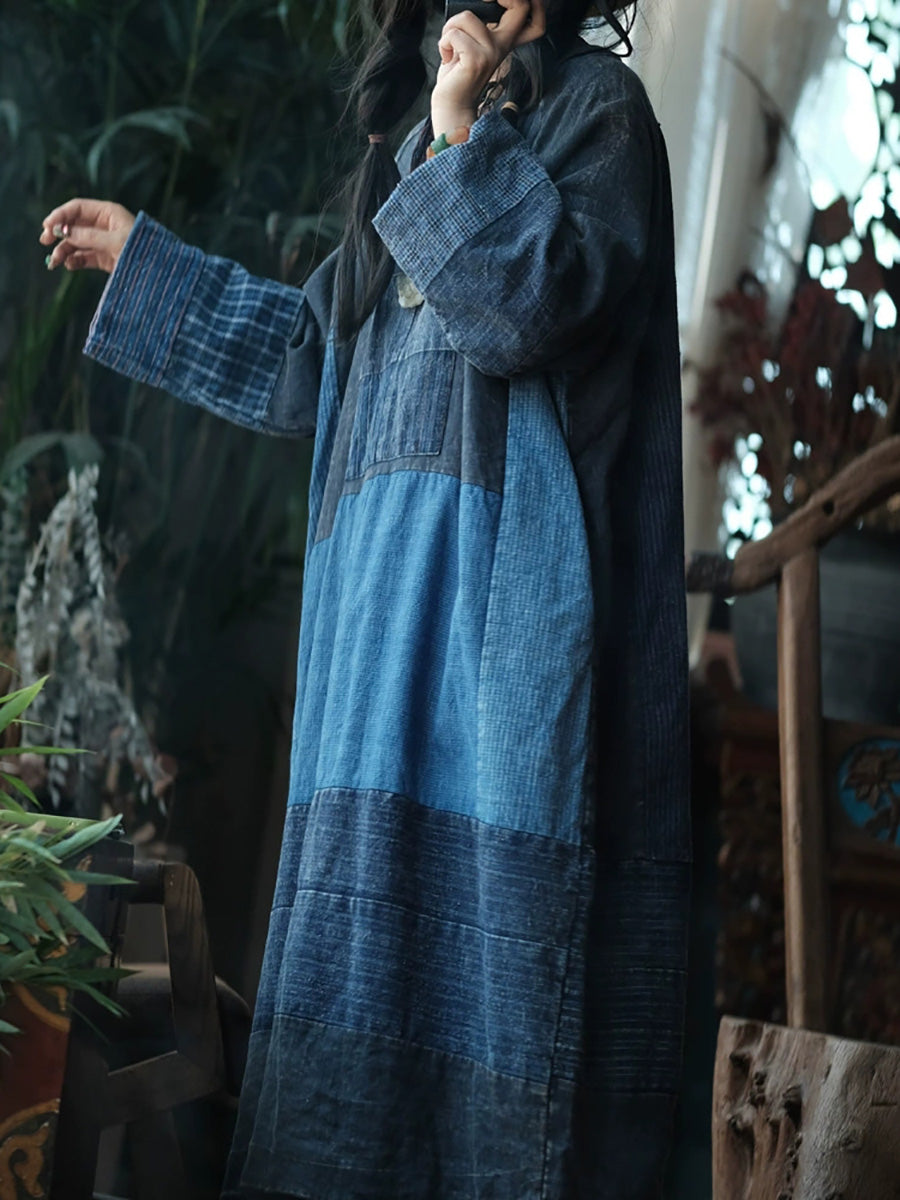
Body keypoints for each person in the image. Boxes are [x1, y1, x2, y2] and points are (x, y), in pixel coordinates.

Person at [41, 0, 691, 1195]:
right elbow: (314, 355)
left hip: (500, 658)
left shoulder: (601, 115)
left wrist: (461, 131)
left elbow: (531, 308)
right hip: (373, 651)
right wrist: (148, 264)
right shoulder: (408, 147)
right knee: (347, 1012)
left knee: (498, 1013)